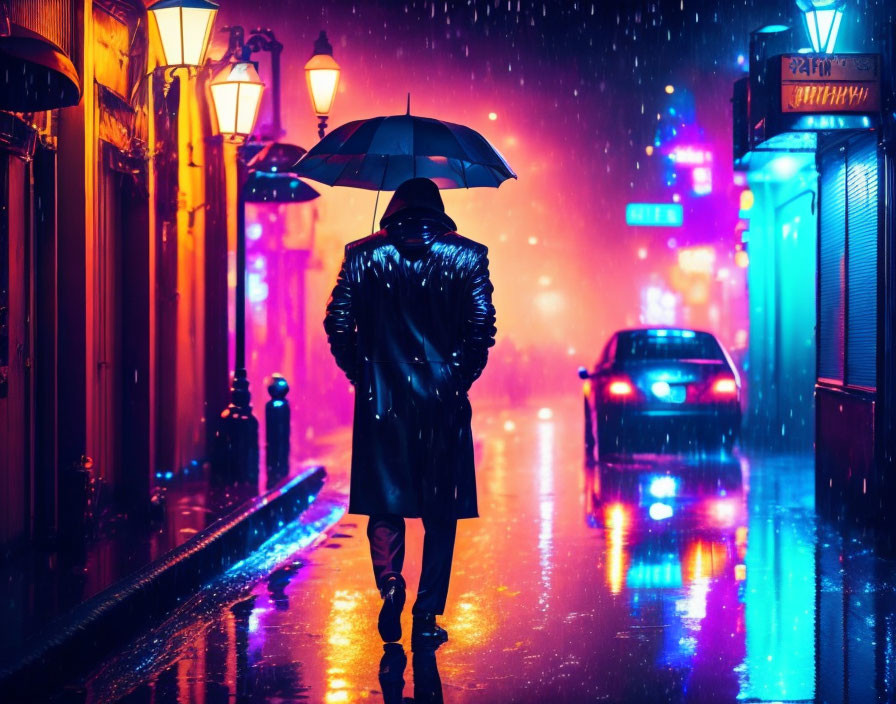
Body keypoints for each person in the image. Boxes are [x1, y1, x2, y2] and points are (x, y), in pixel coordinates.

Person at [324, 177, 496, 648]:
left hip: (382, 401)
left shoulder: (362, 255)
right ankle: (425, 612)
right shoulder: (468, 256)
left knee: (386, 503)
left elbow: (338, 323)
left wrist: (364, 374)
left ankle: (390, 583)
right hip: (442, 404)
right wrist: (455, 377)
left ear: (393, 209)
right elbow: (481, 328)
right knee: (440, 511)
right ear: (439, 211)